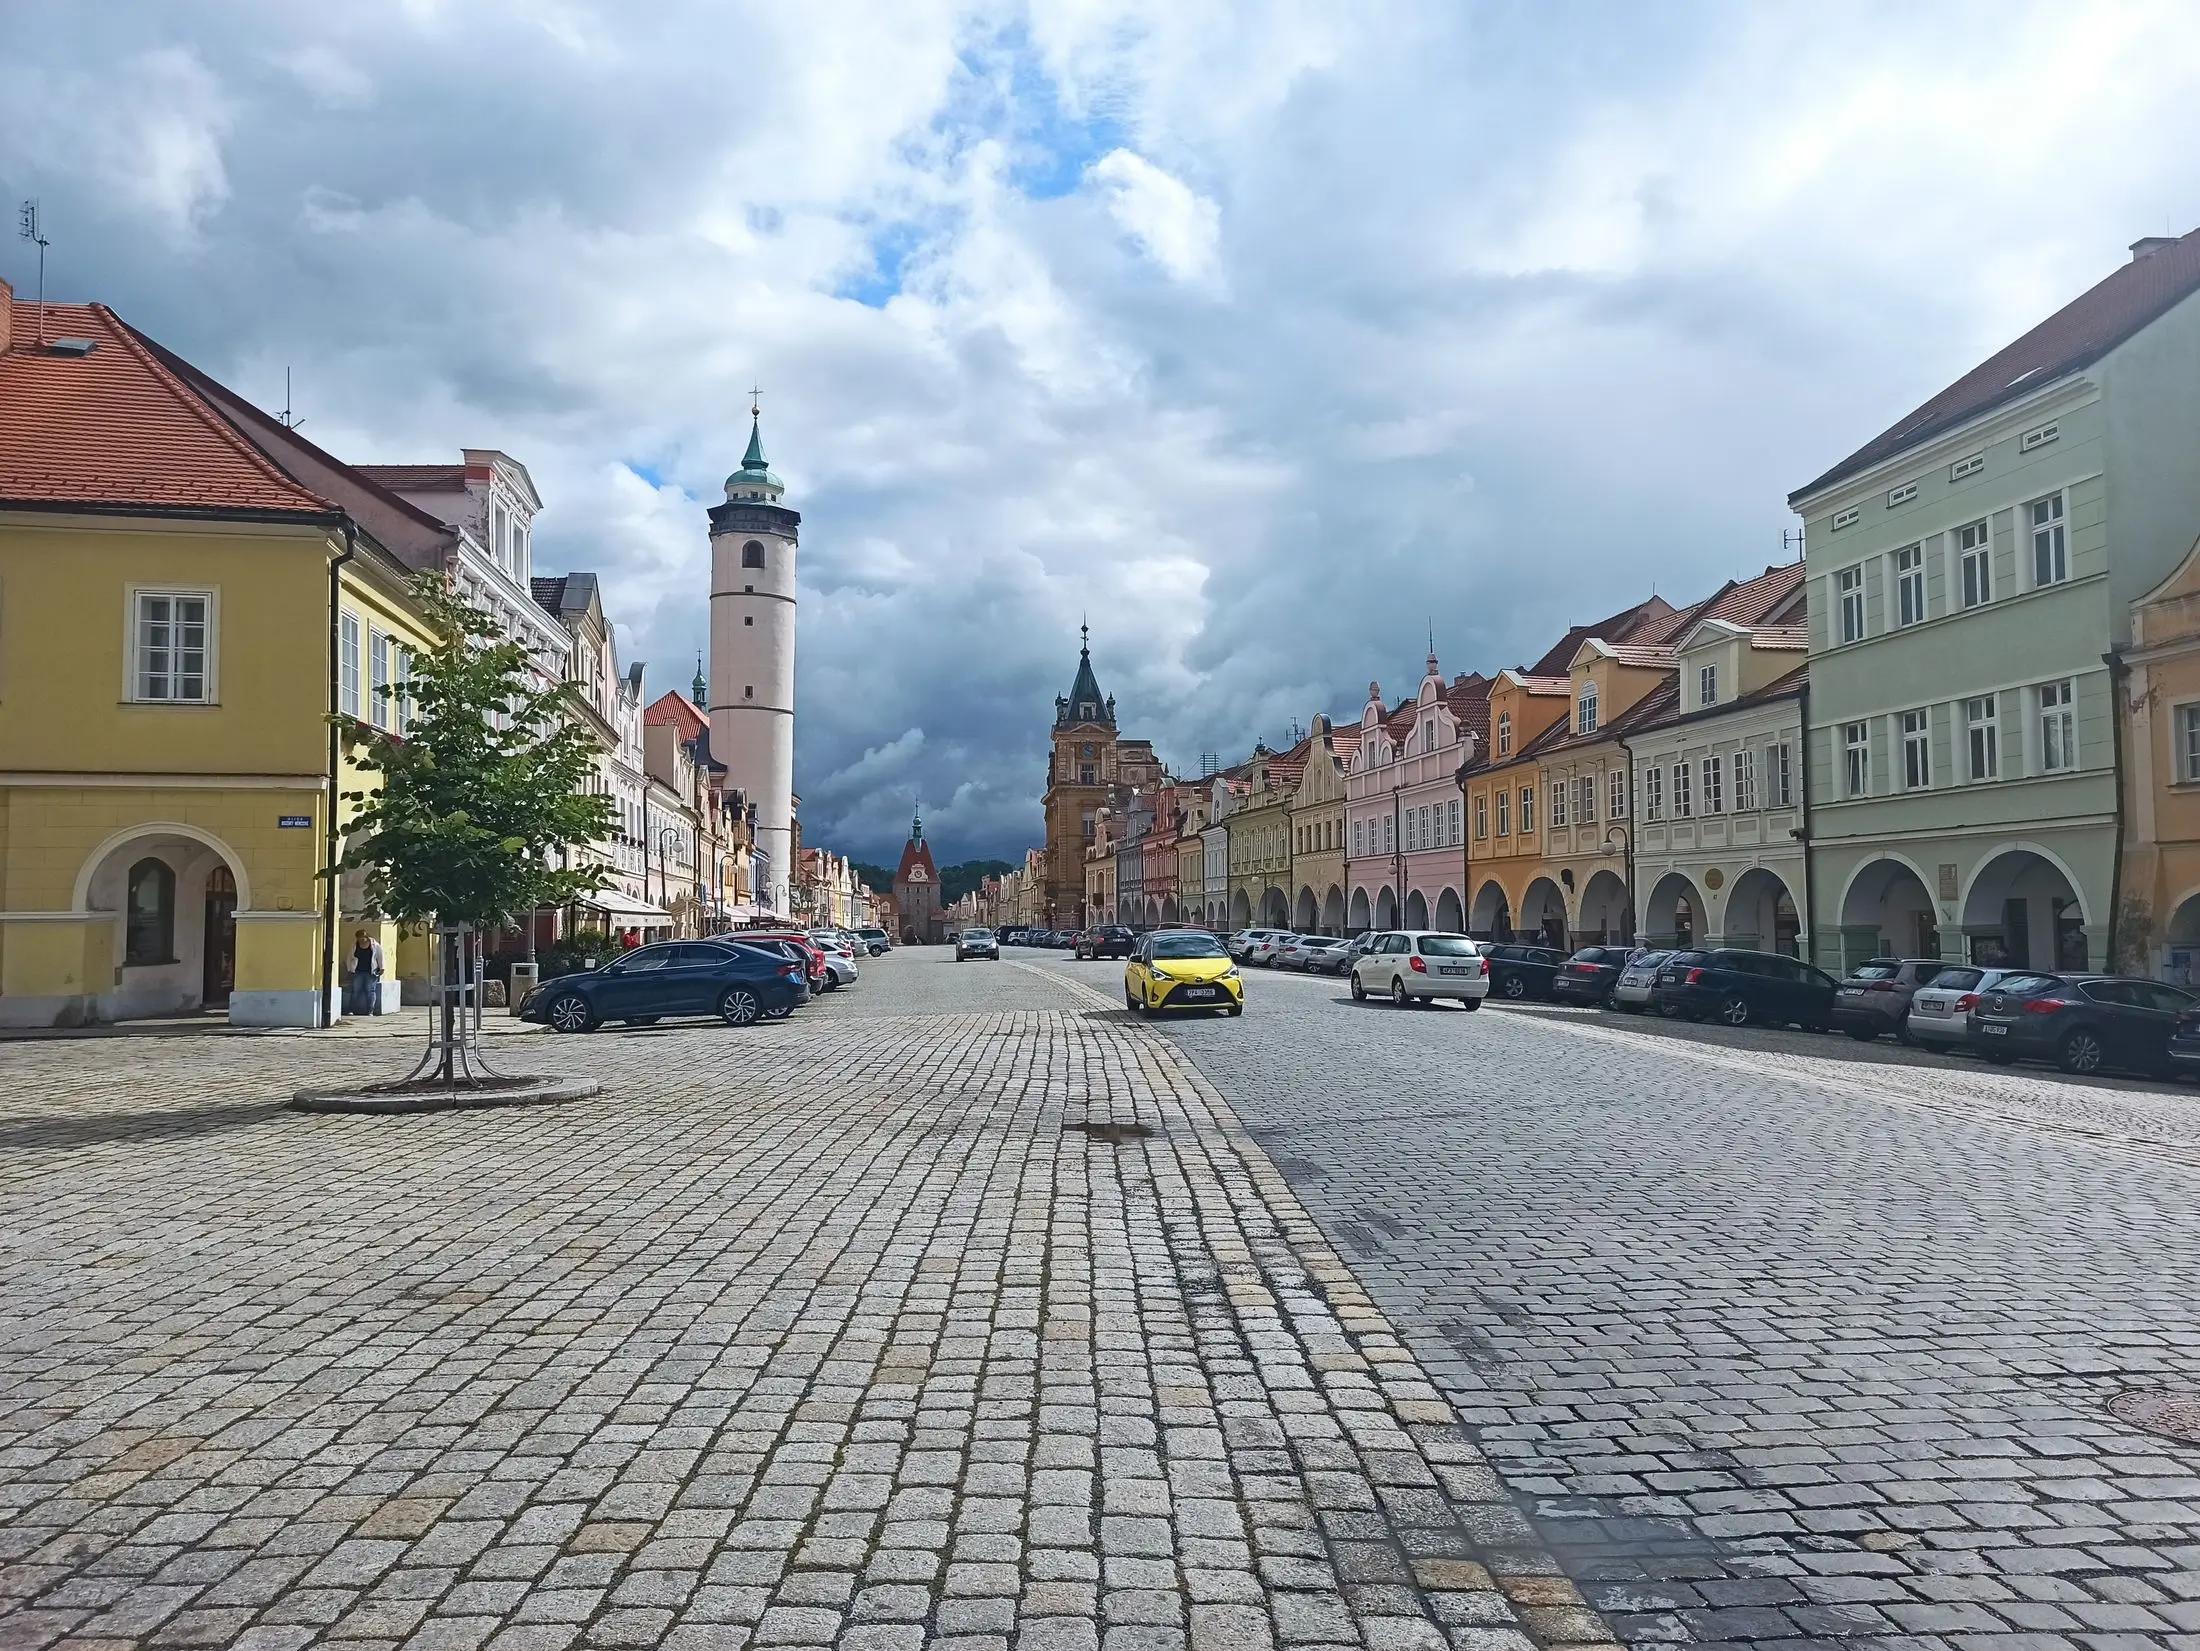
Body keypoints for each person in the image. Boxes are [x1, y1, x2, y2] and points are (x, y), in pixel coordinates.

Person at [344, 927, 384, 1016]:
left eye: (363, 938)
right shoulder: (355, 945)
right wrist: (349, 969)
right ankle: (351, 1010)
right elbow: (349, 958)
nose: (361, 940)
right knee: (355, 991)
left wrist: (382, 968)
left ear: (366, 937)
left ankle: (370, 1010)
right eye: (359, 938)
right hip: (357, 971)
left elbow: (380, 956)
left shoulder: (375, 945)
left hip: (371, 972)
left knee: (370, 991)